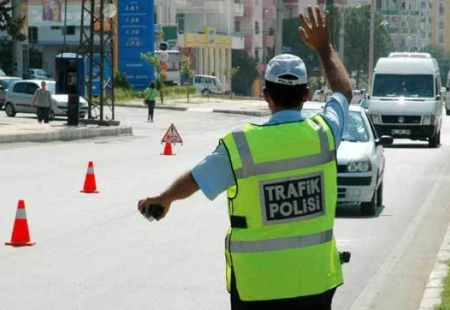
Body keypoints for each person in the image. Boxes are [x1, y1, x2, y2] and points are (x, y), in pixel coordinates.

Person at [138, 6, 352, 310]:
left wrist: (163, 199)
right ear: (306, 95)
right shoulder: (325, 133)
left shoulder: (241, 146)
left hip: (257, 290)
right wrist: (325, 47)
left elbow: (196, 180)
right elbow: (343, 91)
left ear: (266, 95)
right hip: (316, 285)